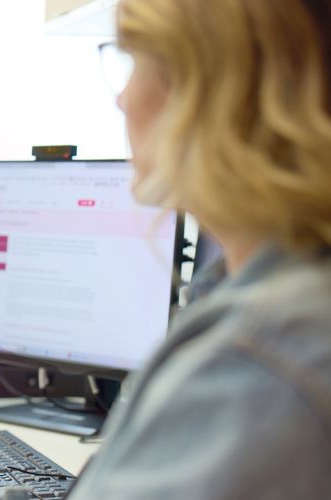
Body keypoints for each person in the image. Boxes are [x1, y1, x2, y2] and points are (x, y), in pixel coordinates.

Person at [65, 0, 331, 498]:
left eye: (136, 61)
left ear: (215, 91)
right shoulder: (262, 303)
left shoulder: (256, 360)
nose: (123, 99)